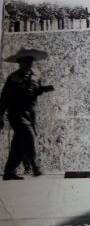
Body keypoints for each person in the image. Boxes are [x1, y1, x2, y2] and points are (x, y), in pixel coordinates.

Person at [0, 48, 54, 180]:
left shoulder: (36, 76)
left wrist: (44, 89)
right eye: (24, 62)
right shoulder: (13, 78)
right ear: (20, 63)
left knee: (20, 143)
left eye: (30, 62)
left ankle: (9, 172)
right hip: (17, 114)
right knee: (28, 135)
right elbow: (5, 99)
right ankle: (35, 166)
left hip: (30, 113)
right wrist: (0, 115)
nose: (28, 64)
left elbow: (34, 92)